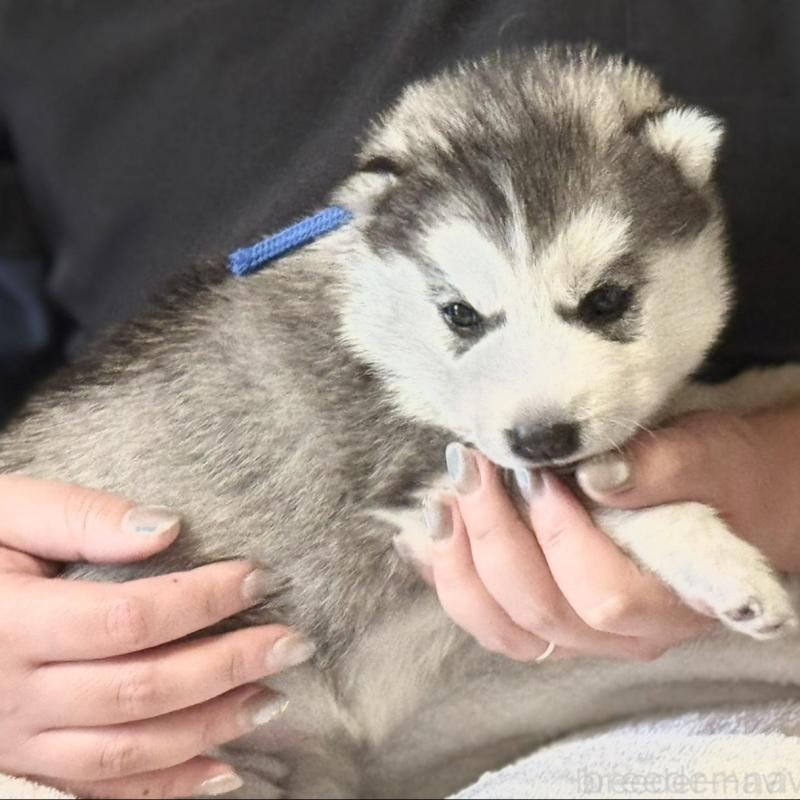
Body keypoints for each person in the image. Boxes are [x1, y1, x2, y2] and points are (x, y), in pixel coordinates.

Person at [1, 1, 799, 797]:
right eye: (462, 317)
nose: (536, 400)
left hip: (625, 679)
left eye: (601, 303)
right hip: (107, 707)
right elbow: (443, 494)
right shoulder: (339, 333)